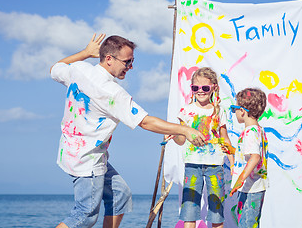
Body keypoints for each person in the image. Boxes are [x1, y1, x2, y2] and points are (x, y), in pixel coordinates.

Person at [50, 33, 207, 228]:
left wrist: (85, 53)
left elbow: (55, 68)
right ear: (109, 59)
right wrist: (184, 129)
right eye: (127, 62)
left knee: (120, 196)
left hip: (73, 152)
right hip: (87, 161)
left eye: (132, 61)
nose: (130, 67)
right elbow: (145, 122)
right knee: (85, 214)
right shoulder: (111, 92)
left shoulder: (79, 69)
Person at [170, 67, 234, 228]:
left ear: (213, 87)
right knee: (189, 209)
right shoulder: (186, 111)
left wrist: (233, 163)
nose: (200, 91)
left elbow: (225, 139)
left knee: (217, 211)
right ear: (191, 88)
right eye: (195, 88)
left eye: (205, 88)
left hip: (215, 167)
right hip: (192, 165)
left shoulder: (219, 111)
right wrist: (173, 135)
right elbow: (181, 140)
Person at [228, 88, 268, 228]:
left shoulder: (250, 132)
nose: (235, 113)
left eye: (234, 109)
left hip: (251, 188)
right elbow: (250, 154)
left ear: (242, 111)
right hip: (252, 187)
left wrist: (241, 179)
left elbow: (255, 157)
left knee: (247, 224)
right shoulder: (258, 130)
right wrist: (233, 150)